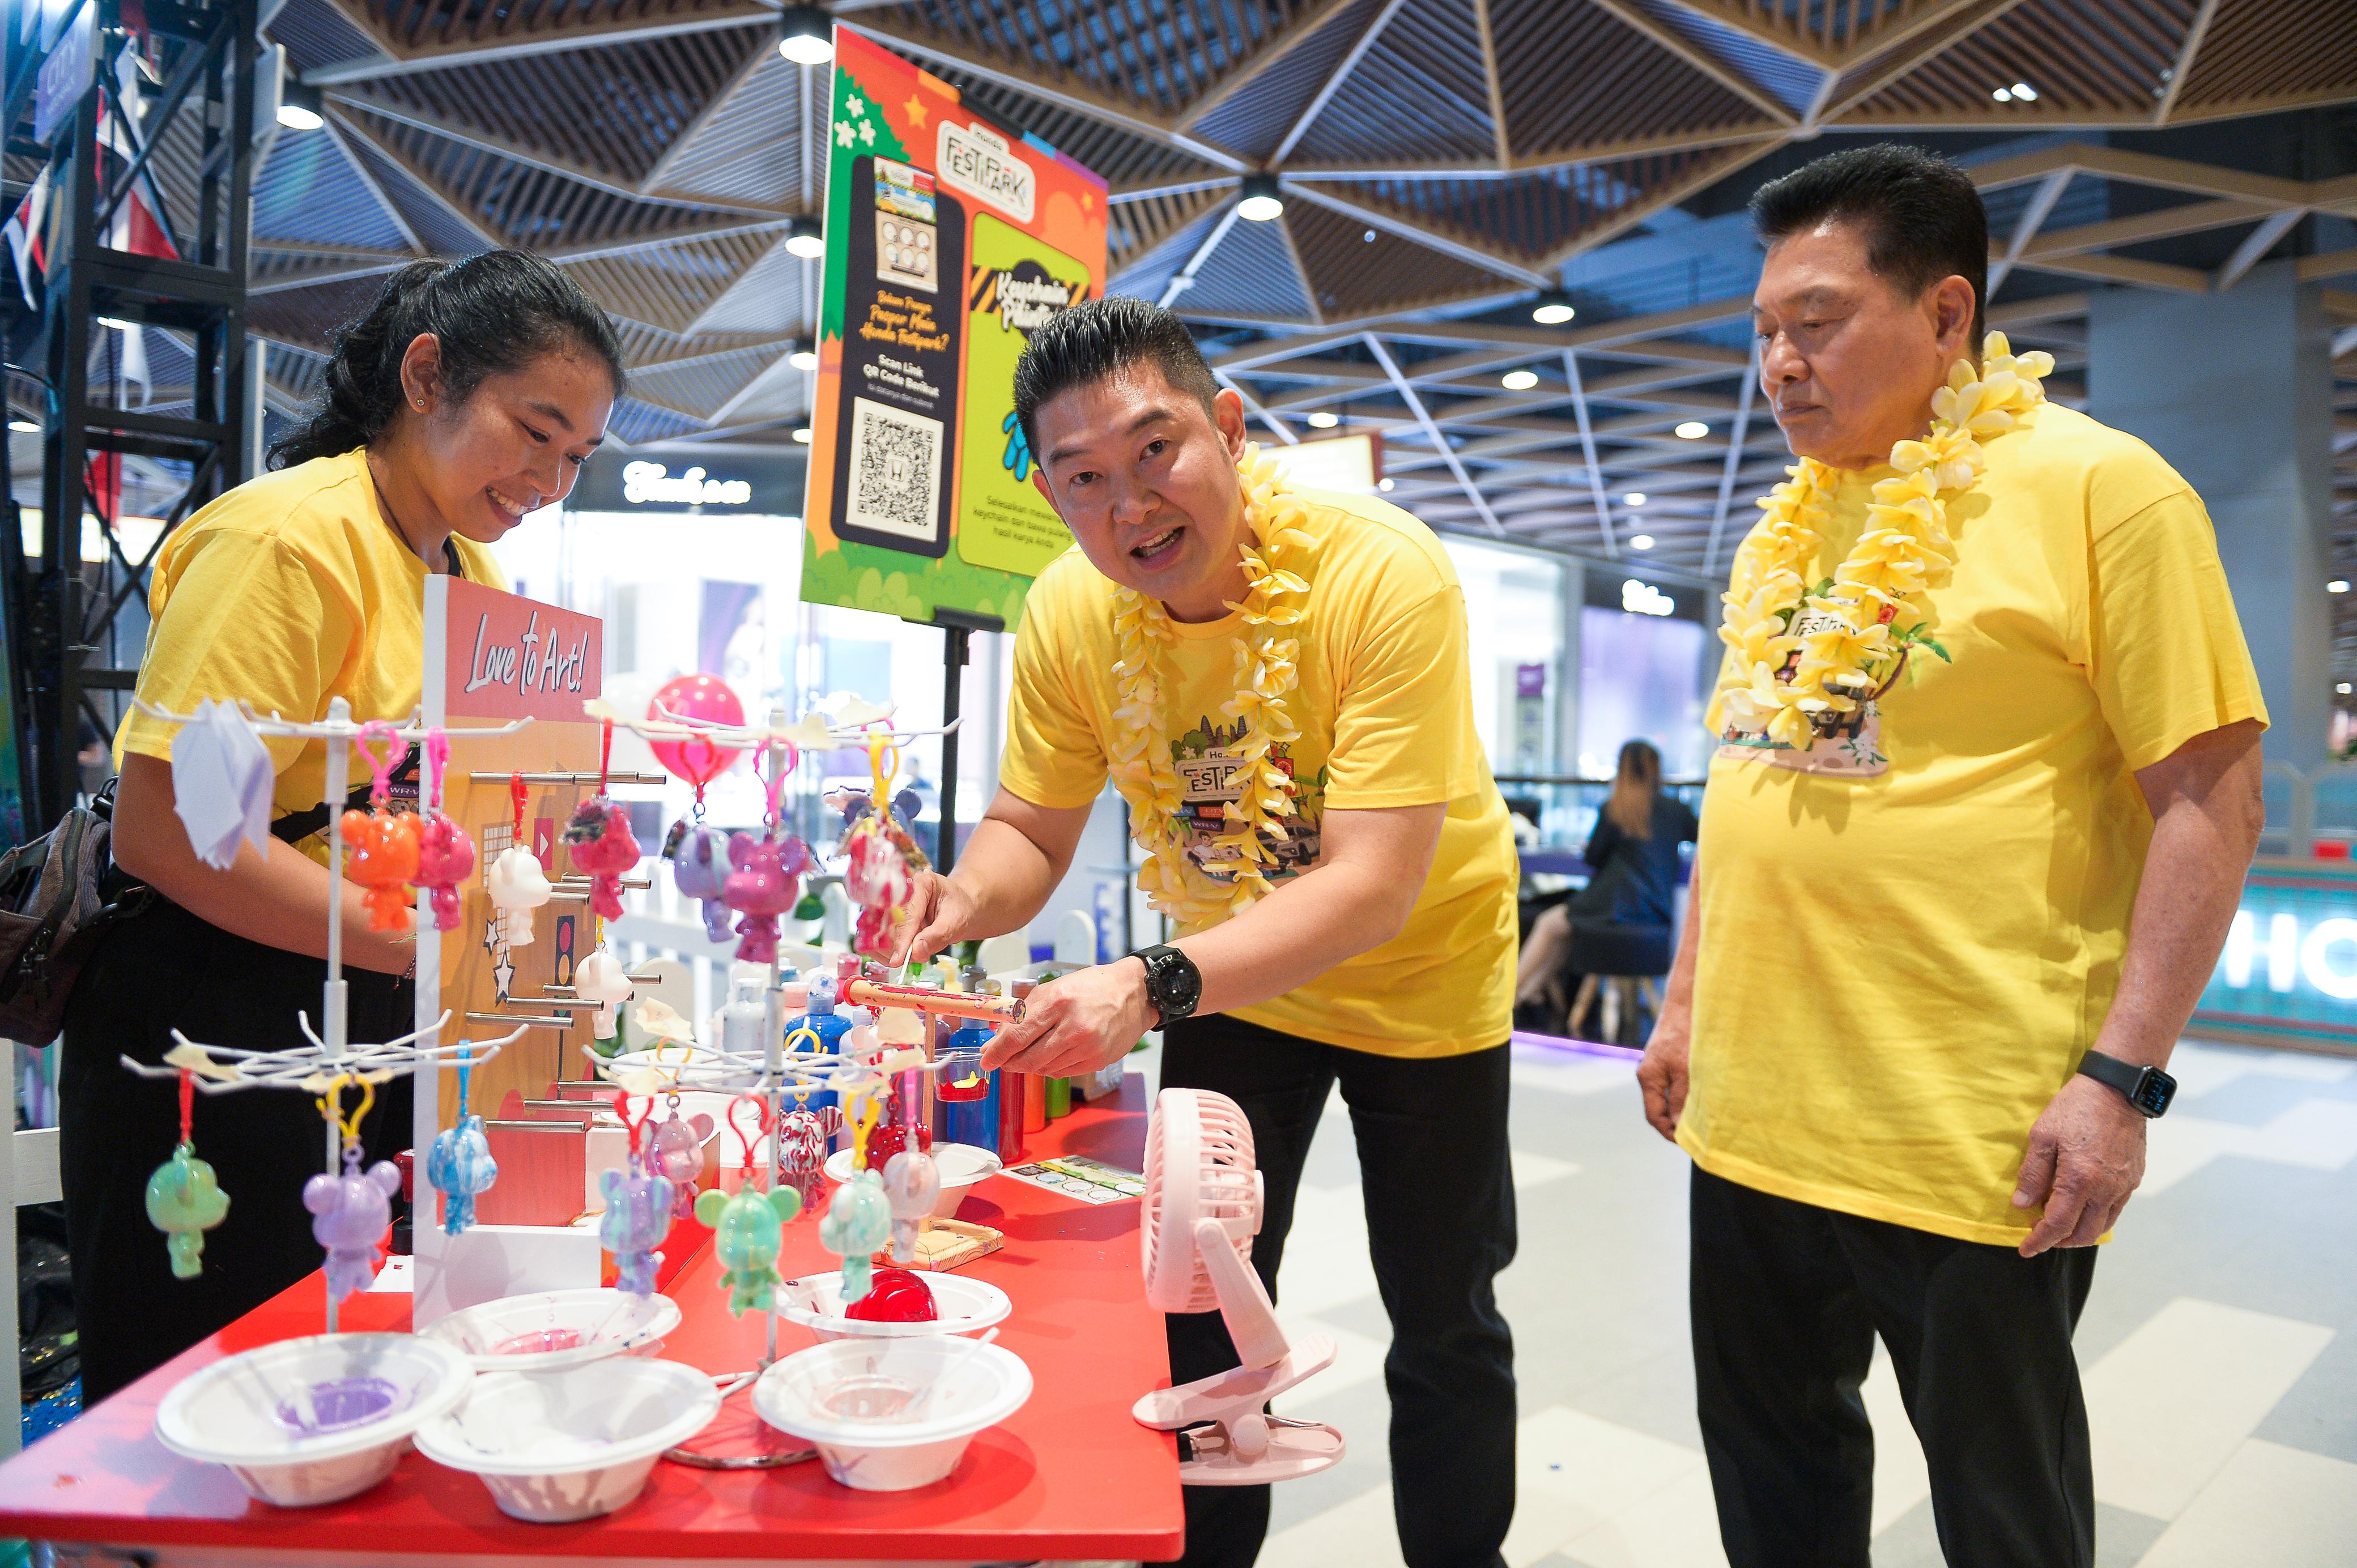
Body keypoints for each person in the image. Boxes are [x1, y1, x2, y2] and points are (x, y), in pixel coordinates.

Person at [1636, 144, 2265, 1568]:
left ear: (1944, 315)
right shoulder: (1780, 533)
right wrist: (1684, 1002)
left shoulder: (2105, 491)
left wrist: (2118, 1079)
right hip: (1755, 1114)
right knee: (1773, 1473)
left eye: (1816, 322)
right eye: (1760, 333)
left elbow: (2207, 802)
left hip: (1971, 1127)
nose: (1778, 364)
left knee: (2003, 1510)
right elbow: (1741, 779)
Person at [900, 296, 1520, 1568]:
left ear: (1228, 430)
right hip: (1231, 990)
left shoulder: (1380, 570)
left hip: (1422, 982)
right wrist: (961, 899)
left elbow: (1371, 885)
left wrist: (1147, 980)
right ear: (1050, 492)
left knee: (1443, 1315)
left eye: (1154, 450)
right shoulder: (1072, 610)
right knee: (1197, 1306)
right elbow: (1030, 821)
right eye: (1081, 478)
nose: (1130, 506)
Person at [60, 252, 623, 1401]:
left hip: (376, 1015)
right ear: (427, 375)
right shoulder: (285, 542)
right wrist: (437, 953)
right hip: (220, 1008)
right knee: (219, 1387)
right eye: (535, 430)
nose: (552, 477)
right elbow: (166, 833)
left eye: (577, 454)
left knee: (366, 1369)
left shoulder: (466, 567)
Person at [1513, 738, 1696, 1031]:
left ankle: (1511, 996)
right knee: (1564, 929)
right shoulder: (1677, 810)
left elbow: (1594, 857)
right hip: (1654, 911)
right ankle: (1528, 991)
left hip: (1610, 906)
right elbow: (1699, 837)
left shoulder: (1614, 809)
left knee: (1551, 924)